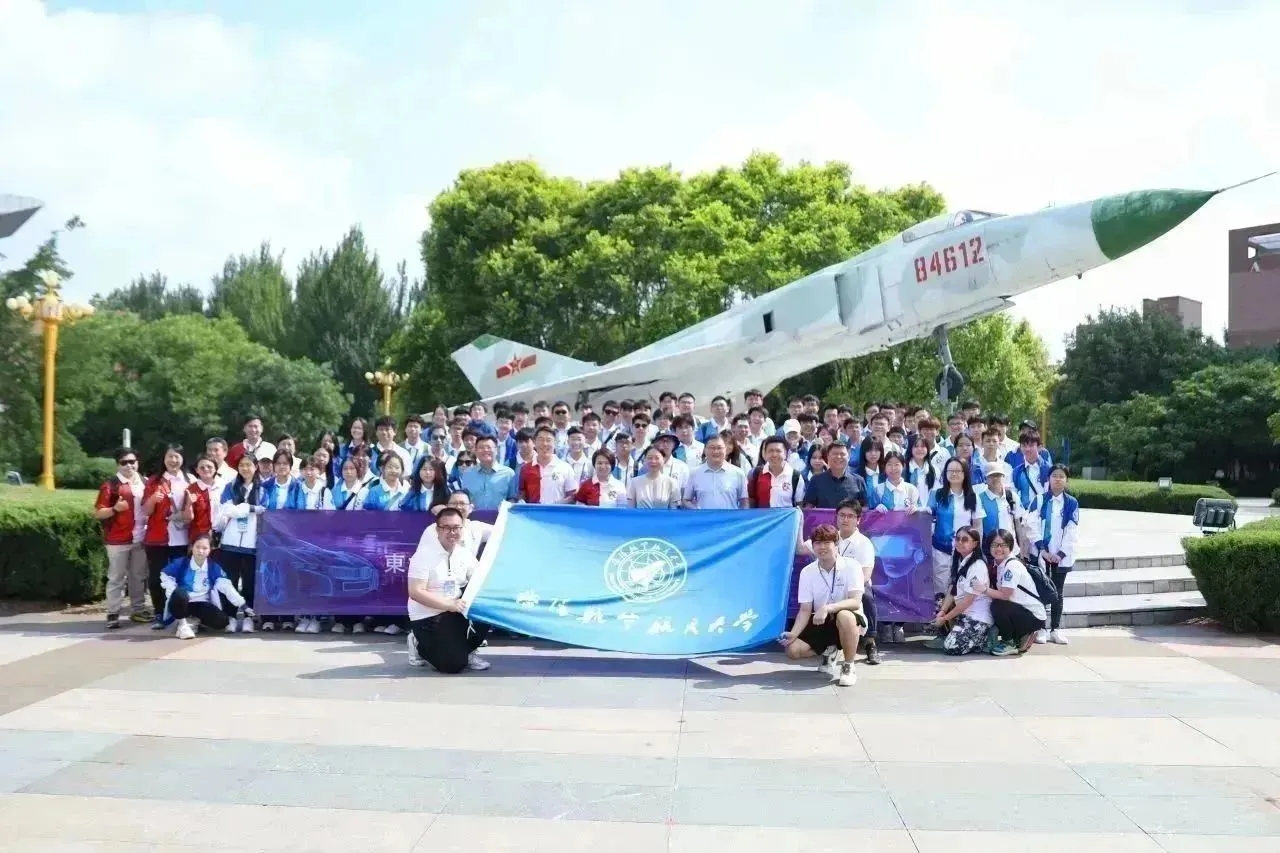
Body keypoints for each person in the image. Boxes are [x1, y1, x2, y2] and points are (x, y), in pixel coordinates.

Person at [405, 507, 491, 674]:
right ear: (437, 530)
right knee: (453, 665)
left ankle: (465, 651)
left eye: (457, 528)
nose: (452, 532)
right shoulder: (423, 555)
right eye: (446, 528)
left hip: (454, 610)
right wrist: (449, 605)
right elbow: (415, 592)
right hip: (429, 616)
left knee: (486, 609)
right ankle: (418, 644)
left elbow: (479, 580)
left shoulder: (465, 555)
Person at [780, 523, 866, 687]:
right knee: (792, 650)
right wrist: (794, 633)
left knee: (845, 615)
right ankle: (831, 649)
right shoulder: (807, 572)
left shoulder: (852, 566)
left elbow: (855, 602)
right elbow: (805, 610)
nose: (822, 547)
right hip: (822, 621)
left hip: (849, 619)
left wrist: (827, 608)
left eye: (827, 542)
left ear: (836, 544)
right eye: (817, 543)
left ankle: (848, 666)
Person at [94, 447, 150, 629]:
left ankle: (138, 610)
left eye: (132, 461)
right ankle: (113, 612)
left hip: (140, 538)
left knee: (138, 577)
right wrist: (114, 509)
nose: (129, 465)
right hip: (117, 540)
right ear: (117, 465)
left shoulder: (145, 482)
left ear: (137, 463)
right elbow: (99, 513)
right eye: (124, 462)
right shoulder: (110, 485)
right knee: (116, 578)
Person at [160, 534, 253, 640]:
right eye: (197, 547)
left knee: (222, 622)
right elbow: (165, 575)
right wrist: (172, 593)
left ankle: (194, 621)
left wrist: (243, 605)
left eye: (205, 548)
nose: (200, 551)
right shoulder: (181, 563)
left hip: (202, 604)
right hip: (183, 602)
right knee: (180, 594)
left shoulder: (213, 567)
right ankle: (182, 624)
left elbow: (227, 587)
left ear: (210, 550)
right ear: (192, 547)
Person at [141, 444, 195, 627]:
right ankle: (159, 613)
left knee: (180, 578)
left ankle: (179, 614)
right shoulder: (154, 481)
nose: (173, 460)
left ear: (182, 459)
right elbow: (146, 511)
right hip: (158, 539)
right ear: (164, 459)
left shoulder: (190, 480)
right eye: (170, 456)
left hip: (182, 539)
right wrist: (152, 500)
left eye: (177, 457)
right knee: (157, 579)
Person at [214, 452, 264, 633]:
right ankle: (231, 616)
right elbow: (227, 510)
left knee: (250, 582)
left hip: (252, 543)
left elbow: (265, 509)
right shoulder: (231, 486)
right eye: (242, 465)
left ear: (255, 467)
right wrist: (250, 508)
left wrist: (240, 509)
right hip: (230, 541)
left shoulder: (263, 488)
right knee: (230, 582)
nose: (245, 468)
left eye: (249, 465)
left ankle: (249, 617)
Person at [1029, 464, 1079, 645]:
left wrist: (1060, 553)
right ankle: (1041, 628)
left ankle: (1055, 628)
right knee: (1041, 590)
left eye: (1061, 476)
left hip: (1061, 556)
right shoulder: (1039, 499)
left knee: (1058, 591)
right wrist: (1042, 550)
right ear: (1048, 479)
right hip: (1041, 553)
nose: (1057, 479)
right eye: (1054, 475)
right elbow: (1031, 525)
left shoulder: (1071, 502)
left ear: (1066, 480)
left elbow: (1072, 529)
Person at [930, 526, 994, 656]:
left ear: (975, 544)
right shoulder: (960, 561)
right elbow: (952, 590)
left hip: (977, 616)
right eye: (957, 539)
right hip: (963, 613)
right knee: (938, 602)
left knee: (951, 647)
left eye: (965, 539)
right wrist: (942, 612)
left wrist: (945, 618)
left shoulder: (977, 566)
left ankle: (983, 639)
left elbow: (967, 601)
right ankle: (953, 633)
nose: (960, 542)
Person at [984, 529, 1047, 655]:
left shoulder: (1011, 566)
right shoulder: (999, 565)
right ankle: (1021, 637)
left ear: (1011, 547)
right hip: (1020, 610)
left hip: (1033, 615)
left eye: (1003, 545)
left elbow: (1005, 595)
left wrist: (983, 589)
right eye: (994, 545)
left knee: (998, 606)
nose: (998, 549)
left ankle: (1009, 643)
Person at [682, 434, 748, 509]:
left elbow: (744, 501)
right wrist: (696, 510)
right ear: (705, 450)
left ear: (725, 450)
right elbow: (686, 500)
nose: (716, 451)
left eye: (719, 448)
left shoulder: (738, 473)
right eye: (712, 448)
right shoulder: (694, 473)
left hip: (730, 520)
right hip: (704, 519)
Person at [801, 441, 867, 509]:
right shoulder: (816, 480)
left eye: (842, 454)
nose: (838, 457)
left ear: (848, 457)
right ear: (828, 457)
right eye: (835, 454)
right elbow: (808, 508)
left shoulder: (858, 481)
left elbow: (865, 507)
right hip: (824, 520)